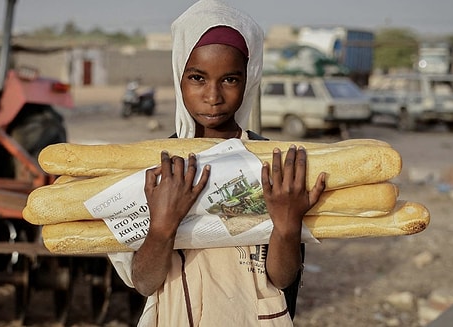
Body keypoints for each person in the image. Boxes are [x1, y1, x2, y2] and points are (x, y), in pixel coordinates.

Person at [108, 0, 326, 325]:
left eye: (230, 80)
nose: (213, 96)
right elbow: (144, 282)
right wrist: (163, 226)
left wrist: (287, 225)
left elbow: (281, 279)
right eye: (197, 78)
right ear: (178, 75)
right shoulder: (155, 167)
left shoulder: (270, 164)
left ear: (249, 79)